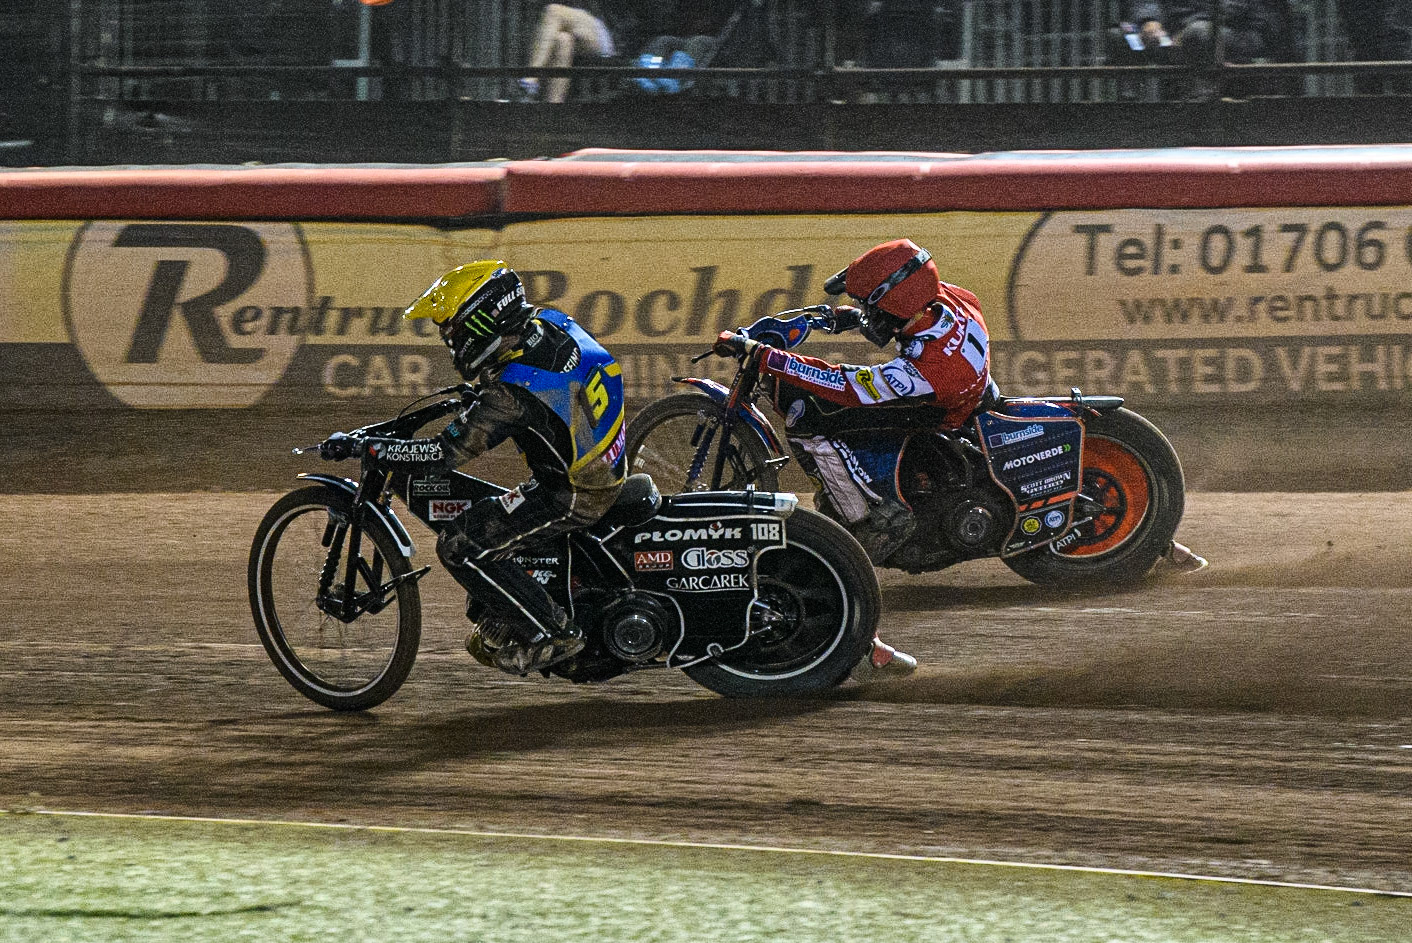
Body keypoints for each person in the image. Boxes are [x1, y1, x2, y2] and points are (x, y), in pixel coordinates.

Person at [321, 261, 626, 675]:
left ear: (479, 321)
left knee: (461, 544)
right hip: (601, 465)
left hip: (572, 494)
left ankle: (551, 633)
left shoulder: (510, 392)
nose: (448, 339)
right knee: (490, 512)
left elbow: (441, 455)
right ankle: (516, 601)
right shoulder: (549, 325)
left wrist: (372, 449)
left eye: (450, 329)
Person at [1111, 1, 1297, 99]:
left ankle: (1202, 102)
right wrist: (1149, 20)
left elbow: (1236, 8)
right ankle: (1128, 109)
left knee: (1199, 34)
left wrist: (1186, 28)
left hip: (1239, 31)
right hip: (1174, 33)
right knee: (1119, 37)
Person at [520, 2, 623, 103]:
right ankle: (553, 110)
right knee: (563, 40)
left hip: (602, 31)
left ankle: (531, 79)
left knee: (553, 11)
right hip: (572, 25)